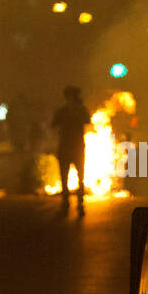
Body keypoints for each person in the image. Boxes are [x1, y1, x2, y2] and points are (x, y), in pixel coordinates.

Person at [52, 85, 90, 216]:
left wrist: (76, 111)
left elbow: (87, 120)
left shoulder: (80, 110)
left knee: (80, 177)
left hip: (76, 147)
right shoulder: (63, 111)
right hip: (67, 147)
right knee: (65, 177)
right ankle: (67, 203)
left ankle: (79, 203)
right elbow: (54, 123)